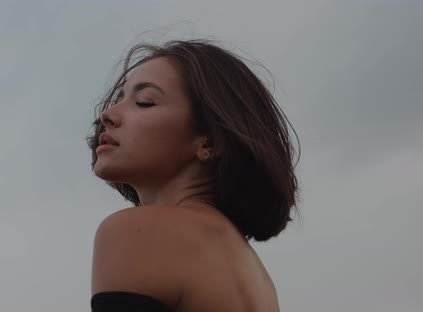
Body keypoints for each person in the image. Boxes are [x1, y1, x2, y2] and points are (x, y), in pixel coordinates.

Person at [87, 39, 299, 312]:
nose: (107, 114)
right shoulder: (257, 278)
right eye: (119, 99)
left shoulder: (135, 232)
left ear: (208, 142)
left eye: (144, 102)